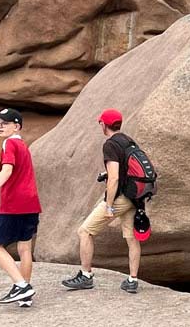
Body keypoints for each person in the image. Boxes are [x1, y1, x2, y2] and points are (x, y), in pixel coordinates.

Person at [62, 109, 142, 294]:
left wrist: (109, 205)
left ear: (103, 125)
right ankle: (132, 279)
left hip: (121, 197)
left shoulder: (110, 145)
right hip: (134, 197)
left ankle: (86, 276)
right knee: (131, 238)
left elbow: (114, 178)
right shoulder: (128, 141)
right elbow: (126, 170)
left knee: (85, 231)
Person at [0, 108, 41, 307]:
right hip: (31, 204)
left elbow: (7, 170)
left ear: (17, 126)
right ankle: (25, 295)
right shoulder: (22, 144)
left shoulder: (9, 143)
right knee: (24, 247)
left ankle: (21, 286)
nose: (0, 126)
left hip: (14, 205)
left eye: (5, 123)